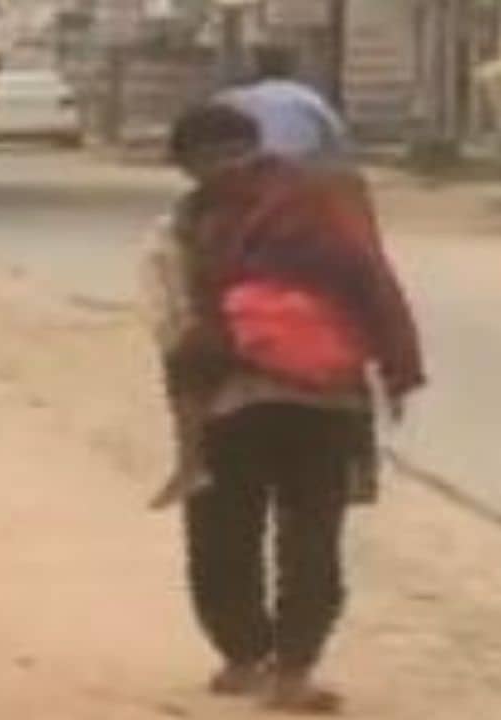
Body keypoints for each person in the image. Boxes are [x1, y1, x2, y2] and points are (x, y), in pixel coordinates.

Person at [147, 104, 424, 713]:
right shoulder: (328, 202)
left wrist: (186, 417)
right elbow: (375, 282)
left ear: (191, 163)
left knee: (223, 532)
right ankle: (294, 671)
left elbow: (173, 321)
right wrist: (399, 371)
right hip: (328, 398)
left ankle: (243, 658)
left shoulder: (190, 221)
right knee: (313, 538)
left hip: (229, 398)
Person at [216, 46, 350, 162]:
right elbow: (337, 137)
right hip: (297, 171)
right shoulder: (309, 98)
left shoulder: (230, 98)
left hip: (242, 172)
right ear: (292, 68)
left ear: (256, 65)